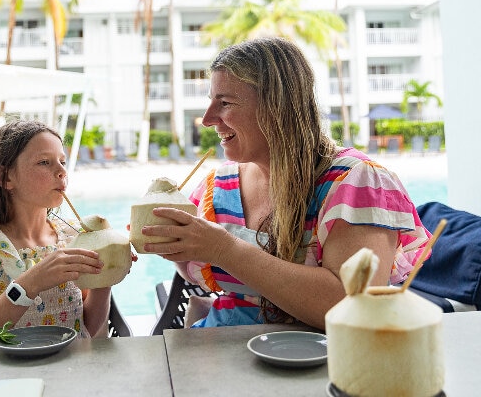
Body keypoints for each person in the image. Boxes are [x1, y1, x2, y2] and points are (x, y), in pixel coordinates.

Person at [140, 37, 431, 330]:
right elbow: (203, 275)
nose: (206, 119)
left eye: (225, 103)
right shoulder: (219, 186)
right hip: (224, 354)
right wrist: (176, 248)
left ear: (276, 108)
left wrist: (224, 249)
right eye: (210, 101)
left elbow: (354, 309)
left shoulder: (355, 184)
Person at [0, 119, 112, 342]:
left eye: (62, 161)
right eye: (44, 162)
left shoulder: (73, 236)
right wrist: (31, 283)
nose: (61, 171)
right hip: (10, 375)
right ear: (6, 177)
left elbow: (87, 327)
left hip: (72, 370)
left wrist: (106, 279)